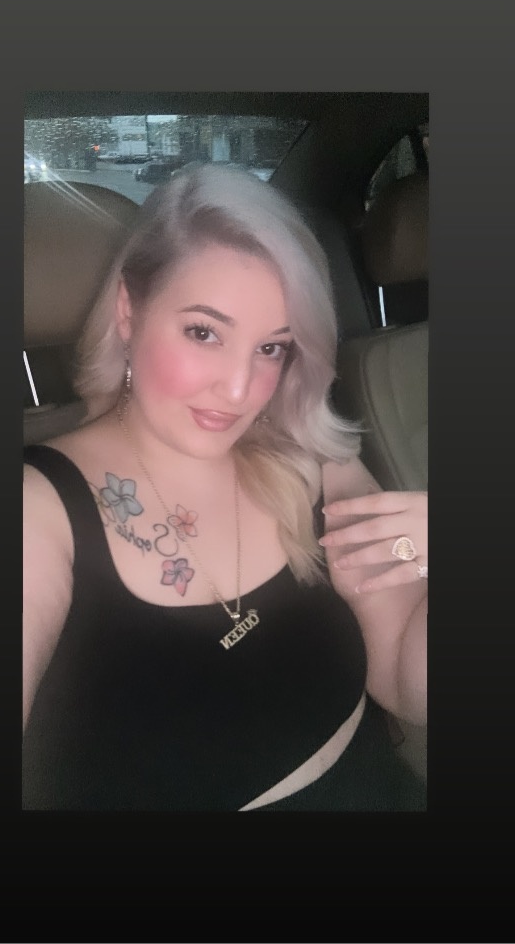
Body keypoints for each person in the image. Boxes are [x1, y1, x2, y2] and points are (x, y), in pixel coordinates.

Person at [23, 163, 427, 810]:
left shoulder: (309, 461)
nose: (239, 390)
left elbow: (411, 686)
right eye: (203, 332)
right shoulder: (36, 512)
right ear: (128, 312)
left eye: (272, 348)